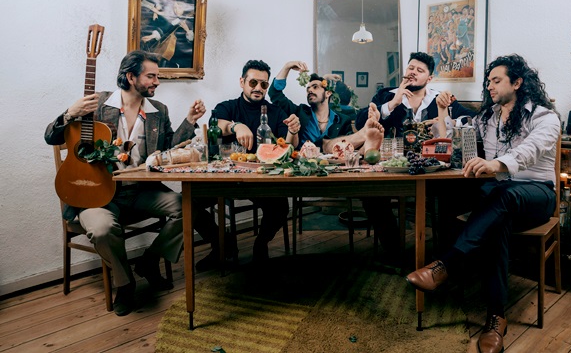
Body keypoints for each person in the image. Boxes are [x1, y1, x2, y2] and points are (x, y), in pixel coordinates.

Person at [405, 54, 560, 353]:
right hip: (499, 197)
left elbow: (530, 150)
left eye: (496, 80)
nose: (489, 86)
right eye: (488, 81)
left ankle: (447, 265)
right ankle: (496, 318)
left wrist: (496, 164)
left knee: (502, 197)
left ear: (517, 83)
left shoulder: (544, 117)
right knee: (482, 208)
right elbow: (453, 137)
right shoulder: (488, 117)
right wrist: (442, 111)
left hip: (536, 194)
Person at [44, 50, 213, 317]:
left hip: (141, 190)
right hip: (98, 195)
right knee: (101, 230)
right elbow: (50, 137)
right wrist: (69, 113)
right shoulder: (97, 104)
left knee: (188, 207)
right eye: (151, 76)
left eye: (157, 76)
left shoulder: (158, 111)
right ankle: (124, 284)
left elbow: (168, 149)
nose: (157, 81)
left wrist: (190, 120)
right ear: (131, 77)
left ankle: (150, 261)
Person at [354, 52, 475, 259]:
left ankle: (443, 257)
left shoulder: (439, 98)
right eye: (411, 68)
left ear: (429, 78)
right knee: (371, 194)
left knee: (453, 192)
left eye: (420, 70)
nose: (413, 72)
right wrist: (393, 103)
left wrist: (447, 120)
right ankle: (394, 251)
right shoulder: (386, 95)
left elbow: (471, 119)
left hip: (432, 170)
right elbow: (360, 123)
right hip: (392, 168)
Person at [196, 60, 300, 269]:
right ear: (242, 82)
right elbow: (217, 125)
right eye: (253, 82)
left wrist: (293, 131)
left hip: (261, 179)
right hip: (225, 178)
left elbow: (289, 146)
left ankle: (261, 244)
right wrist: (236, 126)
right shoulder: (227, 107)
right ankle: (221, 244)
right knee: (190, 201)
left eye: (264, 84)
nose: (258, 88)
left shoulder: (276, 112)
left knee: (280, 207)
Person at [268, 61, 355, 151]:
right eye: (308, 89)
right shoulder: (300, 112)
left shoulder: (342, 120)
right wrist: (287, 66)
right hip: (302, 159)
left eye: (315, 87)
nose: (310, 90)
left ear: (328, 93)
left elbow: (351, 146)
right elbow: (274, 93)